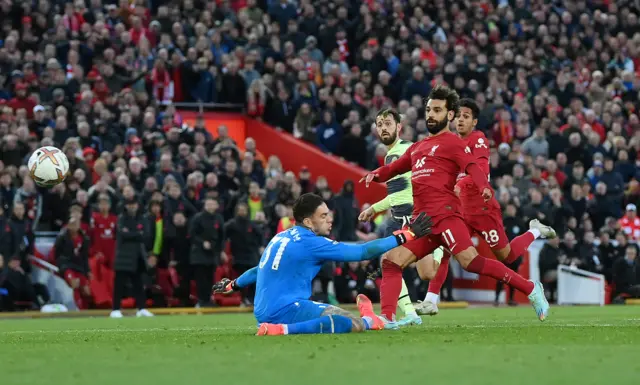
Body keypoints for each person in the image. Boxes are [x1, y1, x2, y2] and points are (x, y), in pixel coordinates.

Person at [361, 86, 549, 323]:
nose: (431, 114)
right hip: (422, 224)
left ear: (449, 115)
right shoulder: (417, 148)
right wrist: (376, 174)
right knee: (391, 261)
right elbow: (394, 169)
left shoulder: (453, 143)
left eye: (437, 110)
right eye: (429, 109)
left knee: (471, 262)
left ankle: (531, 289)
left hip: (447, 218)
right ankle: (387, 319)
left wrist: (484, 187)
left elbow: (472, 167)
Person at [212, 193, 433, 335]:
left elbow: (258, 270)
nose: (330, 219)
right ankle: (282, 330)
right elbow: (363, 251)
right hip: (285, 311)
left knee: (341, 314)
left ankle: (369, 317)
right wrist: (407, 235)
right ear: (308, 222)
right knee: (352, 324)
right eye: (324, 216)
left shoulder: (281, 236)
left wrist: (233, 285)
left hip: (264, 310)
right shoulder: (312, 243)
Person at [415, 98, 556, 315]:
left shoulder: (477, 139)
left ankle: (535, 230)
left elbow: (479, 169)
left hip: (482, 209)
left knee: (507, 257)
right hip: (459, 211)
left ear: (474, 122)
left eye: (466, 116)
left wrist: (459, 184)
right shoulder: (449, 142)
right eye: (458, 116)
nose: (461, 120)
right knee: (445, 250)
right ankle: (431, 300)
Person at [357, 108, 421, 326]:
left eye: (388, 123)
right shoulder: (406, 150)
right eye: (379, 124)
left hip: (404, 217)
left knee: (389, 263)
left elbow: (400, 196)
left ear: (399, 127)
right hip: (413, 214)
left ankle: (392, 315)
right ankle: (411, 311)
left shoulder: (396, 154)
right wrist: (374, 208)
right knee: (396, 265)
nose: (383, 128)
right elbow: (400, 192)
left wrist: (379, 210)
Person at [110, 197, 154, 318]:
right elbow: (123, 234)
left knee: (139, 285)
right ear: (125, 206)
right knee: (119, 284)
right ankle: (115, 309)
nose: (132, 207)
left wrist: (131, 233)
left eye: (134, 204)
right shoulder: (121, 218)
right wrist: (137, 234)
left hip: (138, 257)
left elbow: (146, 235)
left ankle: (141, 309)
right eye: (129, 205)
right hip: (123, 257)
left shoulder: (143, 219)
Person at [189, 198, 225, 307]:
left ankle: (208, 299)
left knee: (210, 278)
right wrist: (202, 243)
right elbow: (192, 234)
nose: (210, 206)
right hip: (199, 254)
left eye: (212, 204)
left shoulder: (218, 218)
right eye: (208, 204)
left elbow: (222, 236)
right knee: (201, 278)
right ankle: (201, 300)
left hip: (212, 253)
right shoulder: (198, 218)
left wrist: (221, 250)